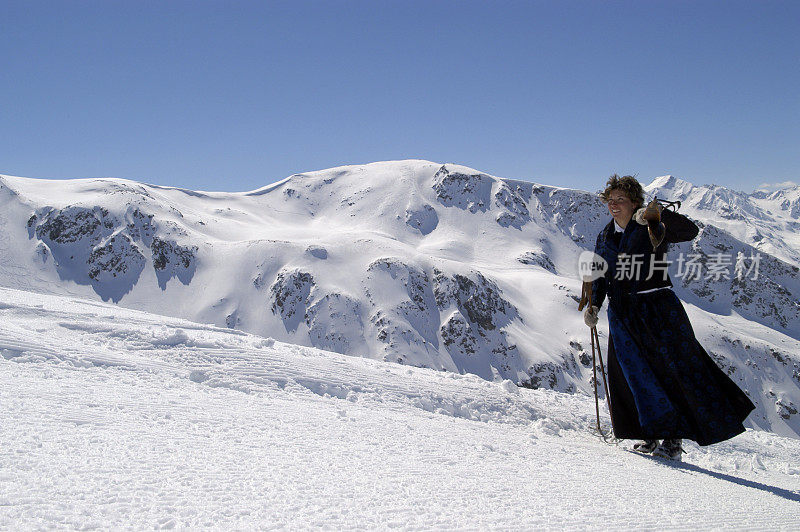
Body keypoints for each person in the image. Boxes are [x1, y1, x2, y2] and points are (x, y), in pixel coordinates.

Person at [584, 174, 755, 460]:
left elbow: (689, 230)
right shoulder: (605, 235)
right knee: (636, 375)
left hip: (657, 308)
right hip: (622, 313)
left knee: (671, 370)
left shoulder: (651, 224)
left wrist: (653, 215)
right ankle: (649, 432)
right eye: (610, 200)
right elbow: (601, 271)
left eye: (621, 200)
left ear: (635, 202)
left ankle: (674, 439)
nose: (614, 205)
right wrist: (594, 305)